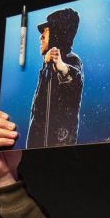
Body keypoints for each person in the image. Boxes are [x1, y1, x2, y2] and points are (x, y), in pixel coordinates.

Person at [27, 8, 84, 149]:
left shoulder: (72, 60)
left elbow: (74, 77)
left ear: (56, 35)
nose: (40, 38)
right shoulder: (47, 65)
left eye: (45, 32)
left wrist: (61, 66)